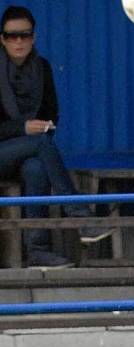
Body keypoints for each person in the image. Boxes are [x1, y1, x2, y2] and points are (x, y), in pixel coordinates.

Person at [0, 6, 111, 268]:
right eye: (12, 35)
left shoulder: (42, 68)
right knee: (40, 144)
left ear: (33, 37)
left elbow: (53, 114)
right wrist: (23, 128)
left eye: (24, 35)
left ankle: (37, 251)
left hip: (28, 152)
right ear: (2, 39)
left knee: (37, 167)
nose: (19, 41)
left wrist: (45, 126)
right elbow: (23, 130)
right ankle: (80, 216)